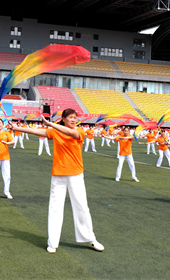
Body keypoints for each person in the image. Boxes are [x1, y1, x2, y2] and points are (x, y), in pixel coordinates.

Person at [9, 109, 104, 254]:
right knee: (55, 208)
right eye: (70, 117)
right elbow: (36, 132)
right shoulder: (55, 132)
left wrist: (51, 124)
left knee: (82, 207)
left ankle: (90, 239)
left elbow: (71, 133)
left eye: (75, 117)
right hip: (58, 175)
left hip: (76, 175)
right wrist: (17, 128)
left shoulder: (79, 131)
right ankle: (53, 242)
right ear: (63, 119)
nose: (73, 120)